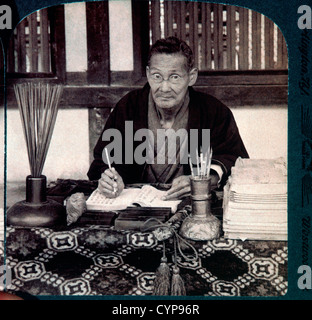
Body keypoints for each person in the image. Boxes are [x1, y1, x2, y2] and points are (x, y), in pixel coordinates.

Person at [87, 37, 248, 200]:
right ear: (148, 74)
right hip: (137, 208)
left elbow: (235, 160)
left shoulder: (213, 111)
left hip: (191, 205)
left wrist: (204, 180)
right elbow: (102, 160)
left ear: (191, 76)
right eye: (157, 76)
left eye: (174, 77)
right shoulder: (129, 107)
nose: (164, 88)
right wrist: (108, 179)